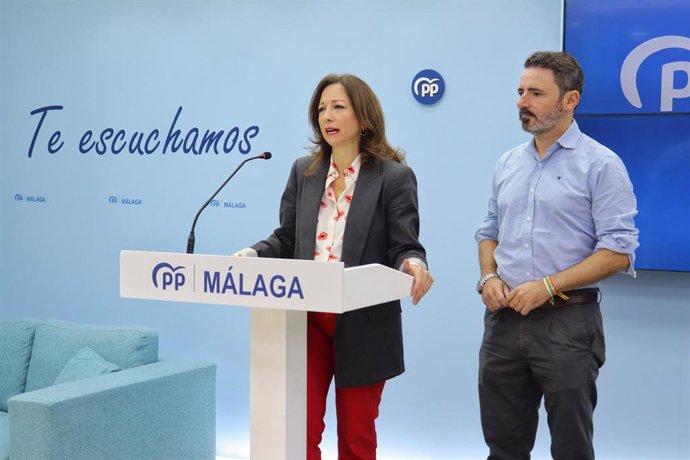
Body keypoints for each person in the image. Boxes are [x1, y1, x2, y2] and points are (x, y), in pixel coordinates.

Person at [234, 73, 433, 459]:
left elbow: (405, 245)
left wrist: (412, 264)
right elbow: (287, 238)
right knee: (299, 428)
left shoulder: (393, 177)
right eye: (322, 108)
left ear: (364, 117)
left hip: (364, 321)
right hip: (306, 318)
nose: (328, 115)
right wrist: (254, 254)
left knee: (357, 438)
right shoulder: (304, 172)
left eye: (339, 106)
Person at [475, 51, 639, 460]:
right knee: (503, 446)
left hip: (567, 322)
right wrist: (488, 277)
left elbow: (618, 252)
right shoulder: (508, 163)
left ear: (570, 100)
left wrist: (547, 286)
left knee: (570, 447)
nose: (522, 103)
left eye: (535, 93)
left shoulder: (601, 165)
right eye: (520, 92)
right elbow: (488, 232)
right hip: (504, 324)